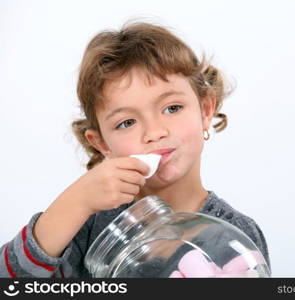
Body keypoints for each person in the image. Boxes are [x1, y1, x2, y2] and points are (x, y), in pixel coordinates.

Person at [0, 21, 270, 277]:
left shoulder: (236, 235)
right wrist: (75, 203)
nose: (154, 132)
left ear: (205, 110)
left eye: (172, 108)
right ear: (102, 144)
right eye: (126, 122)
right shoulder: (87, 224)